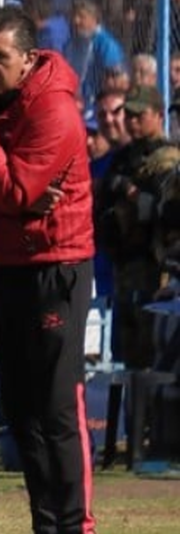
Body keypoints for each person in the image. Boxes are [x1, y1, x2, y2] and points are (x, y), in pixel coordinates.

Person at [0, 5, 99, 534]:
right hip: (9, 265)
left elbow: (10, 193)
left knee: (58, 402)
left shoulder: (52, 108)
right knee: (21, 405)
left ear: (29, 58)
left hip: (55, 266)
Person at [94, 85, 177, 372]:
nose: (132, 121)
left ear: (157, 115)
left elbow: (163, 212)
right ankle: (132, 413)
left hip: (154, 271)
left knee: (154, 354)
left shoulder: (167, 159)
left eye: (140, 115)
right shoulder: (123, 159)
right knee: (127, 358)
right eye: (129, 115)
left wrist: (133, 196)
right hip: (125, 269)